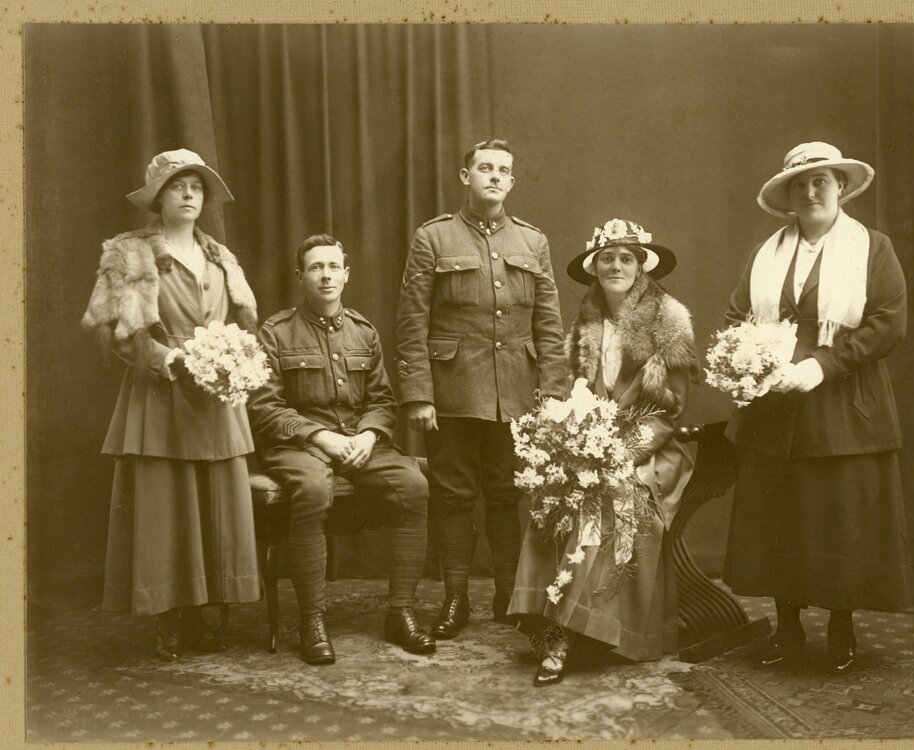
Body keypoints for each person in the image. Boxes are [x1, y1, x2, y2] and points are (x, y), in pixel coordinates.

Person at [722, 141, 913, 674]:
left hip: (843, 406)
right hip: (775, 411)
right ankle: (786, 629)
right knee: (780, 517)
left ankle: (841, 628)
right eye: (800, 185)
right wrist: (752, 363)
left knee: (838, 518)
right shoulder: (766, 255)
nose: (810, 192)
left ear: (841, 188)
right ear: (788, 196)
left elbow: (887, 322)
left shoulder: (872, 247)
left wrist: (821, 366)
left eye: (821, 182)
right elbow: (739, 314)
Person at [81, 149, 260, 659]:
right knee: (167, 508)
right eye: (177, 186)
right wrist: (170, 361)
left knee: (219, 505)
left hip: (217, 399)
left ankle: (212, 608)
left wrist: (231, 361)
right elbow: (118, 333)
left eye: (197, 187)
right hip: (161, 395)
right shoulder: (129, 254)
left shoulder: (222, 257)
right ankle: (173, 615)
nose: (188, 194)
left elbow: (241, 327)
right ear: (158, 197)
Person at [508, 219, 698, 686]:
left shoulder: (668, 320)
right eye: (607, 258)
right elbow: (575, 396)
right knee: (551, 494)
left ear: (641, 267)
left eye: (626, 258)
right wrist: (571, 443)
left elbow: (669, 410)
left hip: (651, 449)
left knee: (613, 499)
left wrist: (620, 452)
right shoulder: (584, 327)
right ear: (594, 268)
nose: (616, 265)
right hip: (591, 444)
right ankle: (545, 616)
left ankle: (571, 631)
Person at [395, 139, 567, 639]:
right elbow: (412, 321)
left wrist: (552, 393)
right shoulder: (434, 237)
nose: (494, 176)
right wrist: (418, 394)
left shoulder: (533, 242)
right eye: (485, 168)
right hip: (449, 392)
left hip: (515, 390)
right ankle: (455, 599)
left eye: (504, 170)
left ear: (512, 181)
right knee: (452, 497)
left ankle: (509, 596)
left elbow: (548, 325)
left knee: (505, 493)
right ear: (465, 176)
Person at [248, 234, 435, 664]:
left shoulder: (363, 332)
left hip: (358, 442)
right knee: (313, 491)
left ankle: (401, 611)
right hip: (299, 447)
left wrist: (368, 436)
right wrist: (319, 437)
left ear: (347, 275)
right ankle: (311, 620)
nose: (326, 275)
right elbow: (264, 406)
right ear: (300, 277)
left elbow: (383, 401)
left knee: (413, 485)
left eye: (334, 267)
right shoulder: (275, 333)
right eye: (316, 267)